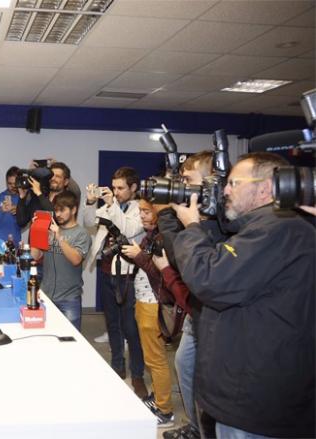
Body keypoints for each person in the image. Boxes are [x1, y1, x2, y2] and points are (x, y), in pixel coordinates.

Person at [172, 152, 315, 438]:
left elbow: (210, 279)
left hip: (256, 402)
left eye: (234, 183)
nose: (225, 190)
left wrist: (191, 228)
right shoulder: (265, 227)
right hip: (252, 391)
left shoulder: (278, 229)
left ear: (265, 188)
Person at [156, 151, 221, 439]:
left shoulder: (219, 224)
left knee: (210, 381)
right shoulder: (198, 218)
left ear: (210, 183)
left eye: (187, 180)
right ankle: (196, 426)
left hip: (214, 320)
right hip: (198, 315)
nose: (182, 185)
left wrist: (169, 214)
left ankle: (206, 430)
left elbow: (179, 255)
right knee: (185, 365)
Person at [84, 166, 147, 398]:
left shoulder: (139, 208)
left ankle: (137, 373)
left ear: (133, 188)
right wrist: (91, 202)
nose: (117, 192)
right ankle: (117, 366)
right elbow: (89, 221)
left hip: (129, 275)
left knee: (131, 327)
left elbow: (128, 229)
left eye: (121, 188)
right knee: (112, 324)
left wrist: (112, 205)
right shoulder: (109, 206)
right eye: (114, 187)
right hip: (107, 270)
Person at [121, 199, 175, 428]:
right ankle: (158, 398)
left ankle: (165, 411)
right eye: (140, 211)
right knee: (151, 357)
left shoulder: (165, 239)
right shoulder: (151, 235)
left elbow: (163, 273)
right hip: (144, 301)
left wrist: (139, 255)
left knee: (156, 359)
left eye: (146, 211)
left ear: (159, 213)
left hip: (154, 304)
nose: (141, 215)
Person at [31, 191, 91, 330]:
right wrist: (36, 232)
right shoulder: (50, 231)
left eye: (62, 210)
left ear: (74, 209)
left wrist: (59, 237)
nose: (58, 214)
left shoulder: (81, 234)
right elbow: (35, 256)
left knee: (70, 341)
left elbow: (76, 259)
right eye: (56, 210)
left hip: (69, 299)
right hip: (46, 296)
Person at [16, 161, 75, 228]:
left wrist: (39, 193)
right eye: (51, 176)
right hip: (35, 238)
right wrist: (22, 198)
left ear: (66, 182)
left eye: (58, 176)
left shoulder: (68, 199)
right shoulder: (38, 197)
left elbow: (55, 218)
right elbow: (21, 221)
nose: (53, 179)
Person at [0, 166, 21, 263]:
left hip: (12, 246)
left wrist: (18, 211)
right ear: (6, 182)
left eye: (15, 184)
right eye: (10, 183)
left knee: (9, 276)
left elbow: (24, 223)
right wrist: (1, 210)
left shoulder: (24, 200)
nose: (12, 186)